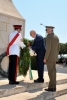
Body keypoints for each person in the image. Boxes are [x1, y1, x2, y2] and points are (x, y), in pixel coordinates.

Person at [44, 26, 60, 91]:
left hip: (50, 57)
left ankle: (51, 87)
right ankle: (54, 87)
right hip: (54, 57)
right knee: (53, 72)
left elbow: (48, 49)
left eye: (46, 29)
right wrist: (55, 55)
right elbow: (58, 48)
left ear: (50, 30)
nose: (46, 31)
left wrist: (45, 57)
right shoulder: (56, 37)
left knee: (50, 72)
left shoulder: (49, 37)